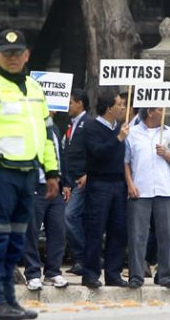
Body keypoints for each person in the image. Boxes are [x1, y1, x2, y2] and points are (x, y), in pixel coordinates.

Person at [0, 29, 59, 320]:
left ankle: (9, 302)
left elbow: (46, 134)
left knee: (16, 241)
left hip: (28, 173)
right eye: (7, 54)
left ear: (27, 55)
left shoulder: (34, 88)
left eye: (18, 53)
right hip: (0, 175)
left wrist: (53, 171)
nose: (13, 58)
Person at [124, 107, 170, 289]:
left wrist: (166, 154)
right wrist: (130, 184)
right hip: (140, 189)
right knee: (137, 234)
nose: (164, 111)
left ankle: (166, 275)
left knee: (166, 234)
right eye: (160, 109)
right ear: (150, 111)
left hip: (164, 189)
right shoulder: (132, 133)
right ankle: (136, 275)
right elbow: (125, 162)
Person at [79, 90, 129, 289]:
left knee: (118, 230)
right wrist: (117, 139)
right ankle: (90, 273)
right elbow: (97, 152)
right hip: (99, 183)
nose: (123, 108)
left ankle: (113, 273)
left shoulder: (120, 127)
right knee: (95, 229)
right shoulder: (91, 126)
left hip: (119, 184)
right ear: (109, 108)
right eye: (119, 105)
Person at [23, 114, 68, 291]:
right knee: (31, 231)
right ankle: (33, 274)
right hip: (36, 186)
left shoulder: (54, 128)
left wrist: (65, 183)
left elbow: (60, 155)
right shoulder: (28, 125)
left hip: (55, 187)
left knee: (58, 230)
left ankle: (53, 272)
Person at [61, 89, 92, 276]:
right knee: (73, 218)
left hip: (83, 180)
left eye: (70, 102)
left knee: (69, 216)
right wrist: (65, 182)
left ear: (80, 103)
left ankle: (83, 257)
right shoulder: (70, 124)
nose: (68, 106)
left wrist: (88, 174)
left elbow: (94, 151)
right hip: (70, 181)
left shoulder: (88, 123)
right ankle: (81, 259)